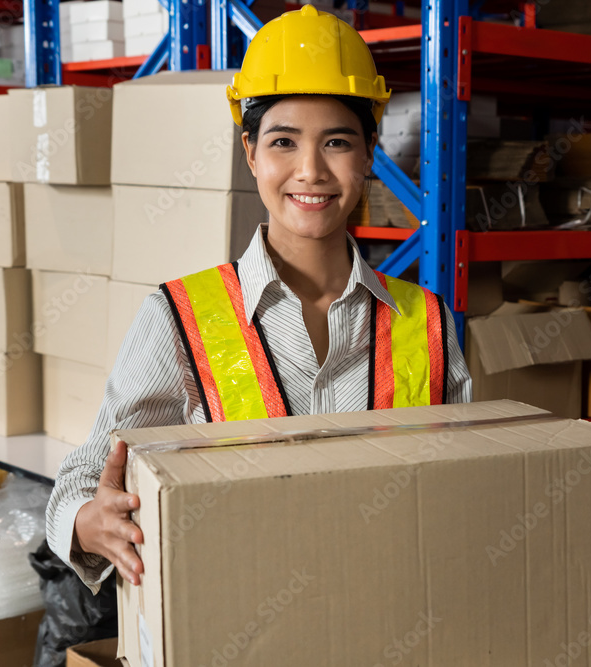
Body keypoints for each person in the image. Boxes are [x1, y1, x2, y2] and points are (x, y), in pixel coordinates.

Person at [43, 4, 471, 644]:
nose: (311, 171)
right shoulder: (179, 320)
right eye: (283, 141)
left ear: (369, 152)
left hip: (393, 628)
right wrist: (87, 520)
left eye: (337, 141)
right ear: (250, 153)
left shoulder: (427, 322)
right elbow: (80, 480)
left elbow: (467, 489)